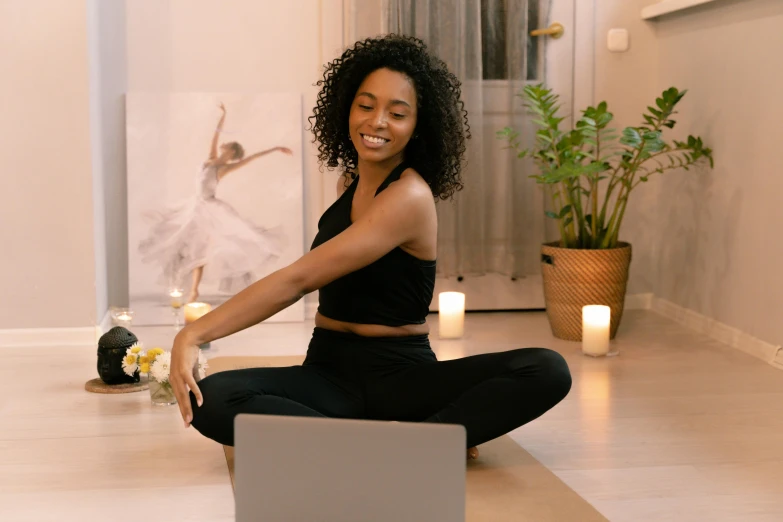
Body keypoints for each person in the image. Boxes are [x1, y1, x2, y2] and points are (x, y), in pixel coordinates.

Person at [169, 34, 572, 460]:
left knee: (546, 369)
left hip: (402, 377)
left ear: (419, 126)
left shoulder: (409, 196)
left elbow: (300, 278)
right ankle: (412, 444)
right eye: (366, 105)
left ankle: (382, 445)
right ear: (346, 108)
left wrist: (194, 332)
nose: (377, 122)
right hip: (327, 371)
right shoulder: (350, 183)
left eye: (397, 113)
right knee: (210, 398)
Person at [138, 102, 293, 303]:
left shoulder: (225, 168)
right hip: (194, 206)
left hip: (210, 210)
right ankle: (183, 287)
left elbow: (252, 158)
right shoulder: (211, 159)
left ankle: (195, 291)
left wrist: (275, 148)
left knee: (201, 249)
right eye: (225, 146)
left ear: (232, 153)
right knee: (182, 245)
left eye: (228, 148)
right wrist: (223, 115)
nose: (224, 146)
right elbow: (216, 135)